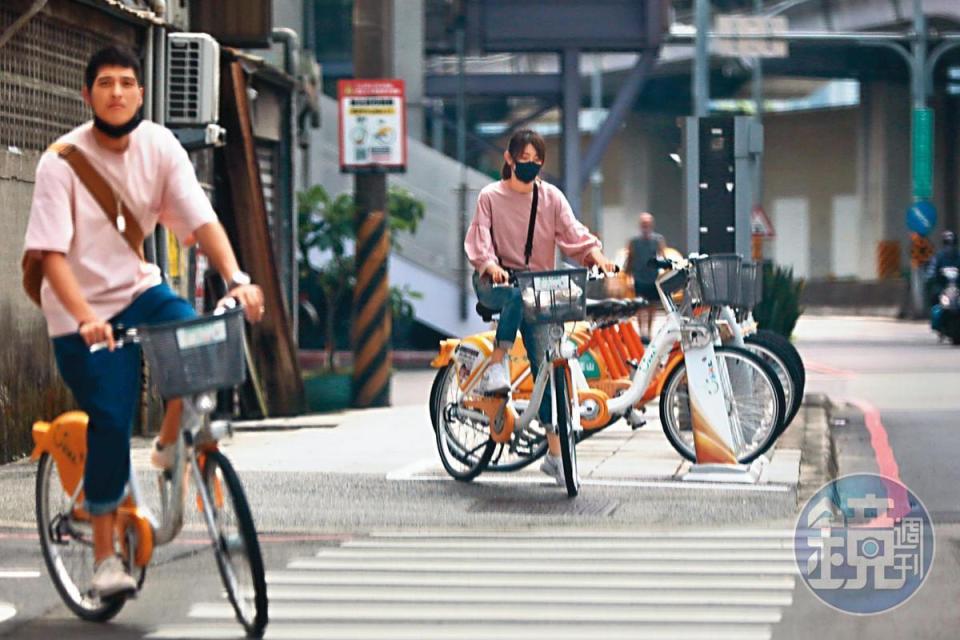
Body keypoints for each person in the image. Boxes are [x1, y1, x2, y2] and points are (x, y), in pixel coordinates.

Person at [22, 46, 265, 598]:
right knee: (109, 415)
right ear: (88, 97)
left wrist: (236, 278)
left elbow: (201, 220)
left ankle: (167, 442)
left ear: (140, 92)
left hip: (138, 291)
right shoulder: (59, 162)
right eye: (104, 83)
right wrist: (84, 318)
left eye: (126, 82)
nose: (116, 92)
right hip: (77, 312)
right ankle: (107, 557)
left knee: (199, 340)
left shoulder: (159, 146)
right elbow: (51, 257)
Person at [464, 129, 616, 485]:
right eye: (524, 160)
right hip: (495, 283)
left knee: (546, 364)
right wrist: (491, 266)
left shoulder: (550, 198)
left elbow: (574, 235)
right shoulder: (490, 196)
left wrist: (599, 259)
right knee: (514, 296)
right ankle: (497, 366)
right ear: (509, 159)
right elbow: (480, 241)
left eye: (536, 162)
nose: (530, 167)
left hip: (537, 288)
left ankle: (555, 454)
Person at [624, 212, 666, 341]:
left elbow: (663, 256)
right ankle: (642, 332)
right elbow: (630, 258)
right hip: (639, 278)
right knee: (640, 306)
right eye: (643, 224)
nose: (645, 226)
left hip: (653, 278)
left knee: (651, 306)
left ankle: (648, 331)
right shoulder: (634, 241)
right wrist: (628, 275)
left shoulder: (658, 240)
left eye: (647, 224)